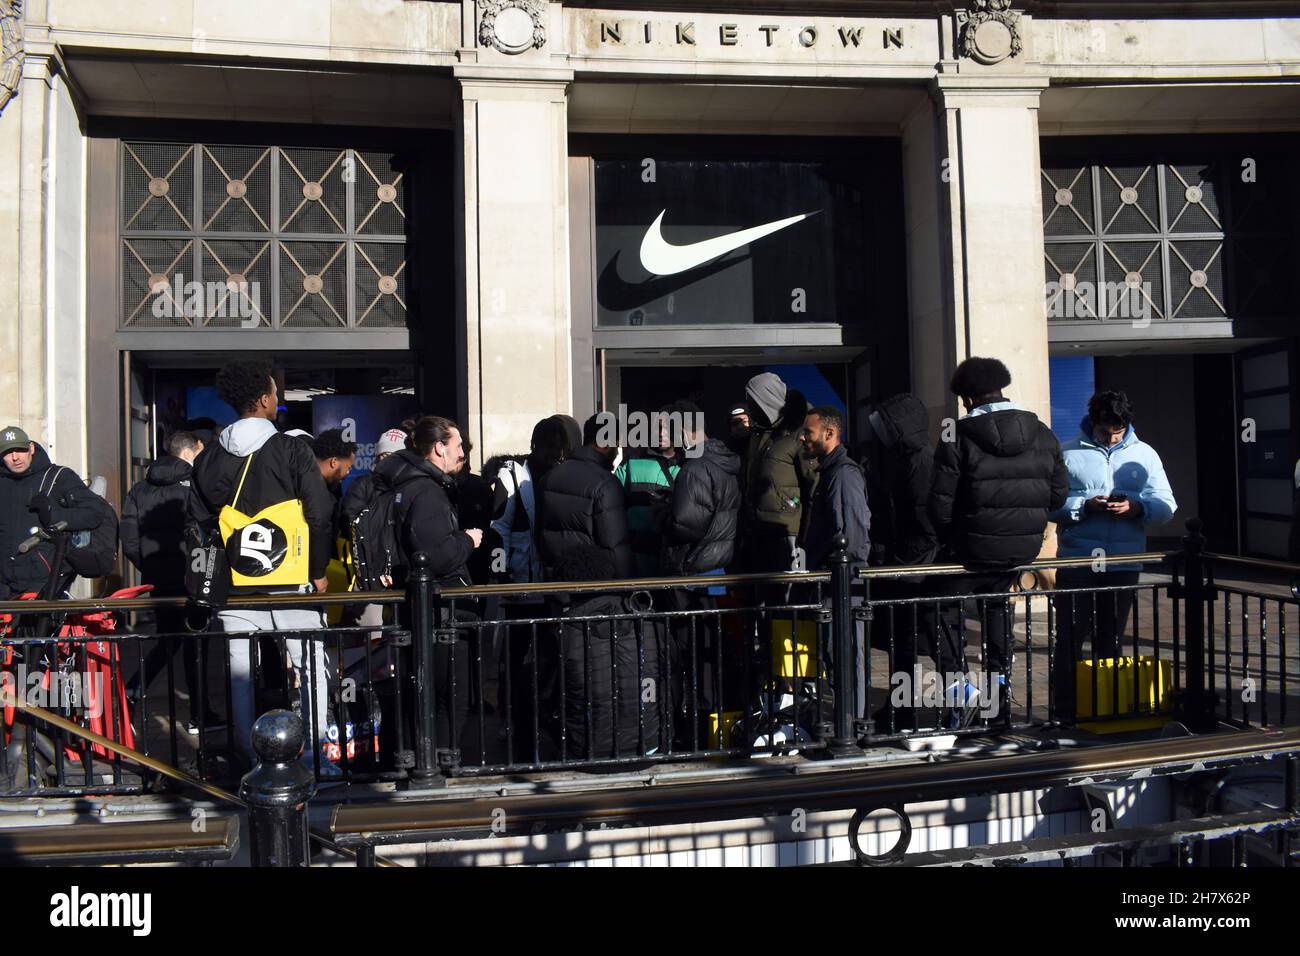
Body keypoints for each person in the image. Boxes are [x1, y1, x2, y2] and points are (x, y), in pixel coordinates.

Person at [186, 361, 336, 773]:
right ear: (267, 399)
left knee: (239, 675)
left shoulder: (210, 457)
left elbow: (198, 524)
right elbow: (320, 512)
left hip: (235, 583)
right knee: (310, 668)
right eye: (276, 394)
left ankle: (251, 760)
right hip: (291, 578)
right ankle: (313, 759)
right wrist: (317, 569)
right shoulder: (291, 449)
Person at [928, 357, 1069, 723]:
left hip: (971, 550)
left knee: (937, 610)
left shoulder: (956, 436)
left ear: (967, 399)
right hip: (1020, 550)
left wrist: (954, 537)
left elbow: (940, 505)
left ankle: (962, 694)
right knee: (997, 613)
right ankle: (998, 702)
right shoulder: (1041, 432)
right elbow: (1058, 496)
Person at [1050, 390, 1177, 721]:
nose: (1111, 438)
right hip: (1077, 561)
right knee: (1069, 638)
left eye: (1117, 433)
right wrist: (1084, 506)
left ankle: (1106, 708)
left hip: (1122, 563)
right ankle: (1064, 710)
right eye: (1105, 432)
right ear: (1094, 422)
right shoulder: (1067, 452)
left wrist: (1137, 508)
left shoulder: (1145, 455)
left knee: (1110, 638)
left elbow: (1166, 505)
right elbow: (1050, 504)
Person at [371, 415, 483, 756]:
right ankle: (440, 763)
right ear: (439, 448)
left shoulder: (407, 485)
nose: (463, 453)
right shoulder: (427, 491)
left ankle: (427, 760)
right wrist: (468, 540)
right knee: (448, 694)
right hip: (439, 610)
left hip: (422, 609)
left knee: (425, 693)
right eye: (458, 445)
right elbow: (436, 555)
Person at [121, 430, 219, 730]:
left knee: (167, 643)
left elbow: (129, 539)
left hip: (158, 580)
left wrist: (150, 567)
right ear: (189, 453)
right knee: (195, 645)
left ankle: (131, 696)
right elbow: (208, 531)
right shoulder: (197, 484)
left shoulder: (139, 489)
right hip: (192, 577)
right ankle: (200, 713)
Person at [859, 394, 941, 733]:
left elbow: (924, 525)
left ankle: (906, 711)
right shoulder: (906, 459)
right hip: (907, 568)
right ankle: (901, 709)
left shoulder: (919, 463)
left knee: (915, 644)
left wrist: (896, 562)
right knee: (904, 645)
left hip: (913, 571)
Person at [660, 406, 742, 742]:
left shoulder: (694, 469)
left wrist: (660, 515)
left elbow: (684, 524)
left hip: (692, 571)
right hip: (717, 568)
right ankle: (713, 723)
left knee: (687, 653)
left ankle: (692, 727)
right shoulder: (725, 462)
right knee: (710, 654)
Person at [798, 405, 871, 718]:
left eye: (809, 433)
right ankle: (847, 722)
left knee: (845, 655)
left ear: (829, 434)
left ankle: (850, 726)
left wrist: (839, 575)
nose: (803, 438)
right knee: (836, 655)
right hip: (835, 584)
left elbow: (852, 537)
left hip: (843, 585)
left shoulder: (842, 474)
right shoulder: (831, 471)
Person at [0, 425, 104, 599]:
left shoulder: (58, 477)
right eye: (7, 453)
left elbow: (94, 513)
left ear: (31, 448)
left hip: (46, 580)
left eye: (20, 450)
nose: (15, 457)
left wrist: (54, 514)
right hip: (5, 584)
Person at [535, 413, 632, 581]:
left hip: (554, 583)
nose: (617, 452)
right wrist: (629, 586)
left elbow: (539, 534)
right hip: (593, 586)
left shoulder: (549, 477)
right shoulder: (606, 484)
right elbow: (615, 545)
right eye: (616, 444)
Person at [740, 373, 817, 573]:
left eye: (754, 402)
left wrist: (805, 536)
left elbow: (814, 485)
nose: (750, 408)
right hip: (760, 530)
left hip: (789, 531)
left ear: (767, 401)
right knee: (765, 597)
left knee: (789, 595)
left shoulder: (800, 433)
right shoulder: (760, 434)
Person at [614, 403, 682, 577]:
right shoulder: (632, 462)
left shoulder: (691, 465)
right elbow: (611, 502)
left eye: (667, 428)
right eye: (657, 427)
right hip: (636, 560)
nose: (661, 433)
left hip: (674, 560)